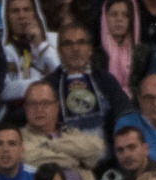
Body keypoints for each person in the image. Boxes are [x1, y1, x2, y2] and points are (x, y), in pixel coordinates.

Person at [46, 23, 132, 154]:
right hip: (66, 159)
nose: (75, 49)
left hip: (106, 158)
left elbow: (125, 113)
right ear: (59, 50)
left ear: (90, 49)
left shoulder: (106, 80)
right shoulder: (49, 85)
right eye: (68, 44)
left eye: (81, 42)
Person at [22, 82, 105, 180]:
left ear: (57, 107)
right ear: (25, 108)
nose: (39, 109)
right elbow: (28, 158)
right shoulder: (19, 138)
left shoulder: (70, 133)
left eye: (45, 103)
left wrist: (49, 146)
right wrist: (76, 160)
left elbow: (97, 148)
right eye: (33, 104)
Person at [0, 0, 60, 106]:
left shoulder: (56, 39)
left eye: (27, 10)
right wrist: (47, 81)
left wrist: (41, 45)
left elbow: (64, 74)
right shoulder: (2, 50)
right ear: (7, 17)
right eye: (15, 11)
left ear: (35, 13)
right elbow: (5, 90)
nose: (22, 16)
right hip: (20, 111)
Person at [98, 0, 147, 98]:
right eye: (113, 14)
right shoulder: (96, 54)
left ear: (133, 19)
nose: (119, 19)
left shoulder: (143, 53)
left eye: (125, 15)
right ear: (104, 18)